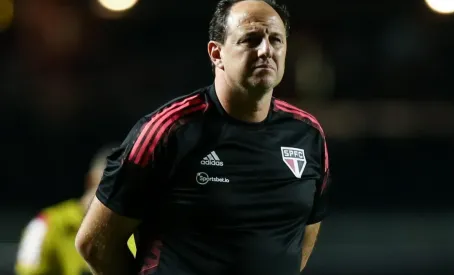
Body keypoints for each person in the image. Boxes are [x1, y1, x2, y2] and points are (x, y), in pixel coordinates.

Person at [75, 0, 330, 275]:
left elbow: (301, 239)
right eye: (251, 39)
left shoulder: (308, 135)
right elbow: (95, 244)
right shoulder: (168, 130)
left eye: (276, 40)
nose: (266, 50)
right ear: (216, 53)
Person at [15, 146, 136, 275]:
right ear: (91, 180)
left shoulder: (135, 228)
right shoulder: (46, 224)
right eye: (112, 184)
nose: (119, 193)